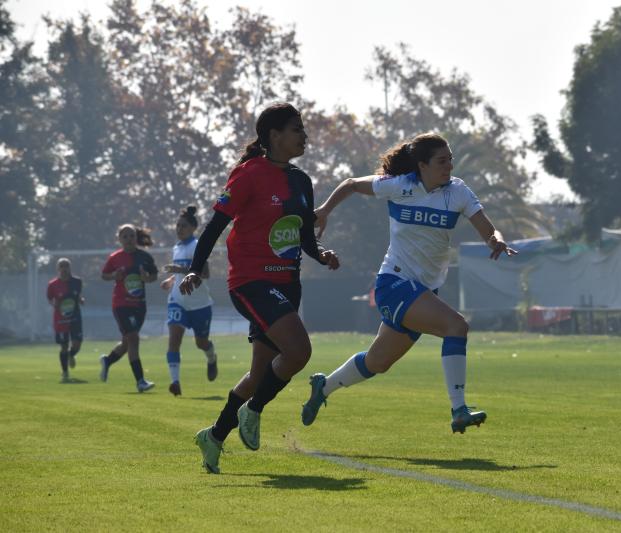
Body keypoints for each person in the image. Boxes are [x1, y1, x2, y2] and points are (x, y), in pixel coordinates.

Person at [301, 132, 517, 434]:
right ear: (422, 165)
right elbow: (350, 185)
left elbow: (488, 229)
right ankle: (459, 409)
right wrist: (324, 210)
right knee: (457, 327)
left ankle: (323, 388)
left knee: (377, 362)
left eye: (451, 159)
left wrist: (497, 241)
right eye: (442, 161)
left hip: (424, 291)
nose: (449, 166)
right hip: (394, 283)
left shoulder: (458, 192)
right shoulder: (400, 186)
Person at [181, 103, 340, 474]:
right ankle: (252, 411)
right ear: (274, 135)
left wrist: (320, 255)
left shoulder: (302, 181)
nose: (304, 136)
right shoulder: (248, 174)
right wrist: (194, 269)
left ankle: (215, 436)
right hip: (251, 283)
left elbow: (303, 236)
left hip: (288, 284)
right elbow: (214, 225)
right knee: (299, 351)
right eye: (296, 129)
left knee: (258, 376)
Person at [160, 205, 218, 397]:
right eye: (177, 225)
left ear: (193, 227)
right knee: (174, 340)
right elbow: (180, 273)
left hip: (200, 304)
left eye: (183, 226)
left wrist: (179, 271)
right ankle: (175, 382)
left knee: (201, 343)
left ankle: (211, 358)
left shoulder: (197, 246)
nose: (179, 229)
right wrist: (171, 281)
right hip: (178, 301)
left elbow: (205, 273)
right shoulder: (176, 247)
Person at [99, 224, 159, 392]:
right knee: (133, 338)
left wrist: (146, 278)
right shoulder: (115, 258)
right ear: (119, 239)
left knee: (127, 342)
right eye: (125, 236)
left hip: (139, 305)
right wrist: (113, 276)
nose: (129, 239)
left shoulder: (145, 257)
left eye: (131, 235)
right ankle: (140, 381)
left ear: (136, 237)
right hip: (121, 304)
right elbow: (104, 275)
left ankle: (107, 361)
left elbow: (153, 276)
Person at [46, 258, 84, 383]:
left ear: (70, 268)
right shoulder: (52, 284)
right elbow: (50, 298)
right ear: (58, 269)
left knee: (77, 344)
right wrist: (53, 304)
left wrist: (80, 300)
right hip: (60, 318)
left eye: (66, 265)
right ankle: (65, 372)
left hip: (75, 316)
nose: (64, 268)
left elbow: (76, 295)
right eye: (61, 266)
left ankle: (71, 355)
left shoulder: (77, 282)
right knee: (64, 346)